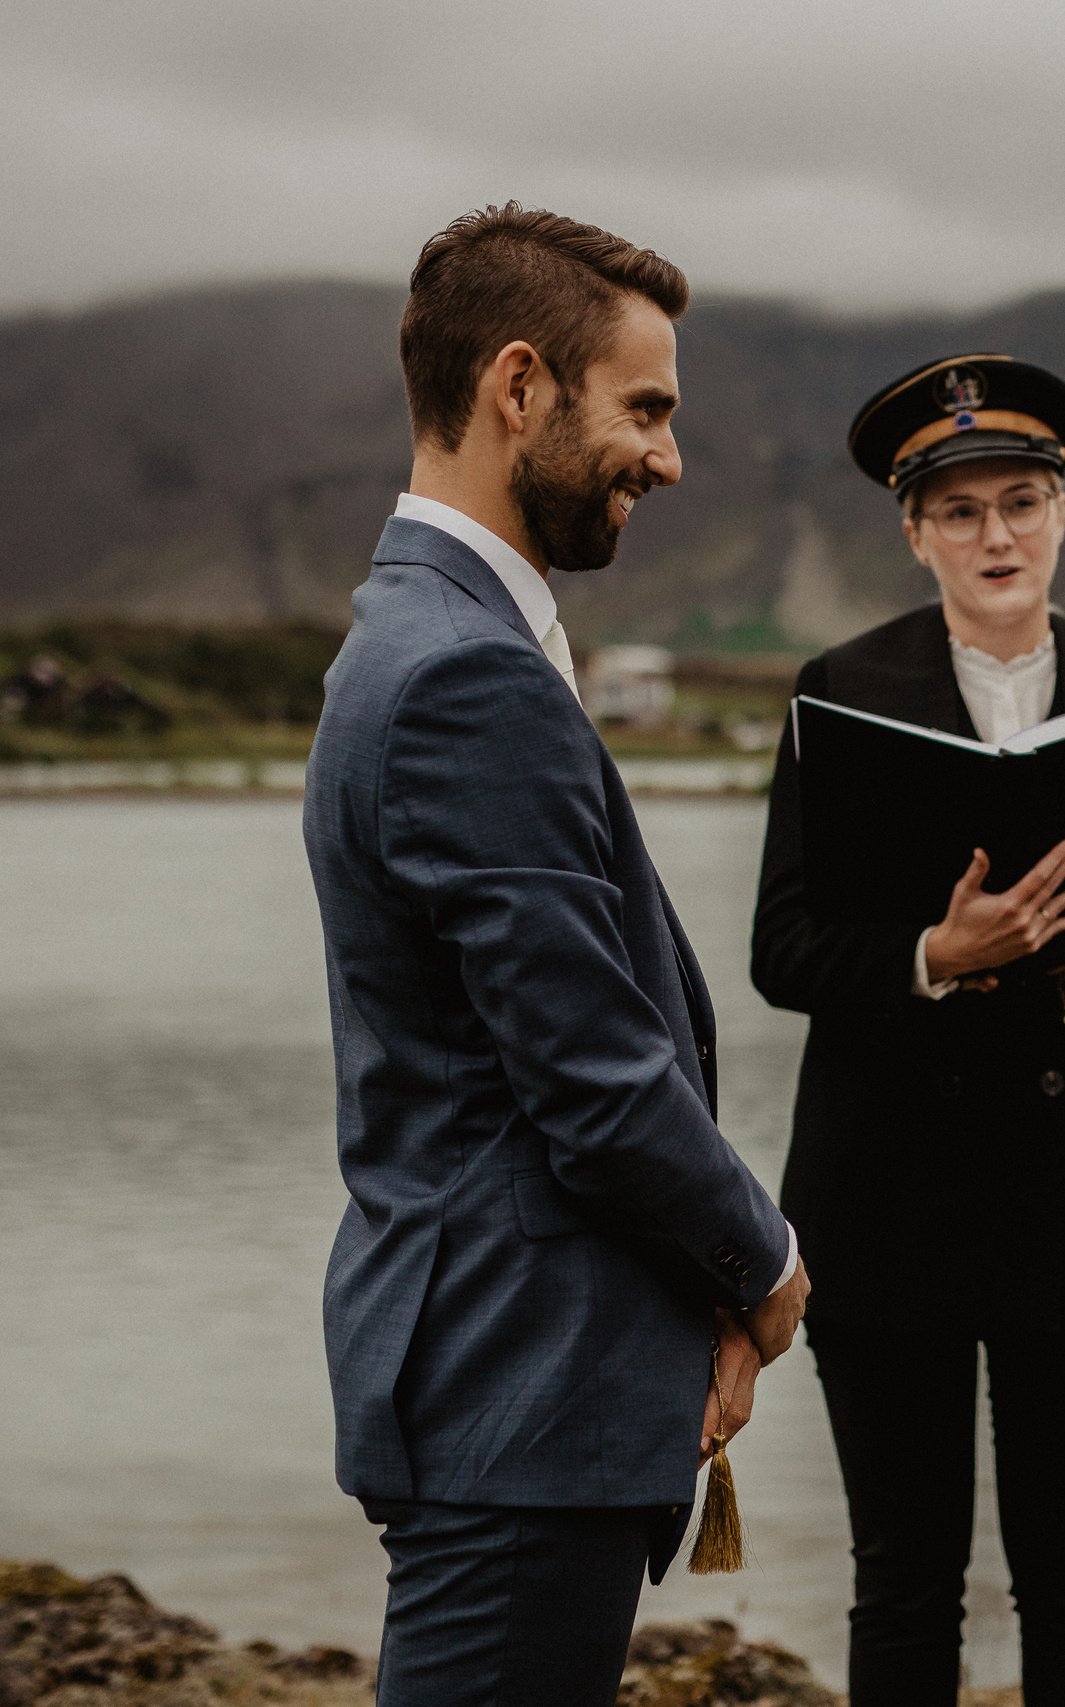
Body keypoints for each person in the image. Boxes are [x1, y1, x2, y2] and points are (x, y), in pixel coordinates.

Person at [301, 204, 811, 1707]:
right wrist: (767, 1269)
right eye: (643, 408)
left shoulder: (420, 632)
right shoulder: (464, 672)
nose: (665, 456)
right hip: (520, 1381)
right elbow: (589, 1075)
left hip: (501, 1375)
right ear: (520, 387)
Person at [751, 354, 1065, 1707]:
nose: (996, 535)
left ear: (1063, 514)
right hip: (883, 1205)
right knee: (904, 1579)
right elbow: (782, 951)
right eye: (962, 510)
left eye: (1022, 501)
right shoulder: (837, 696)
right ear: (913, 531)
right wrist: (936, 954)